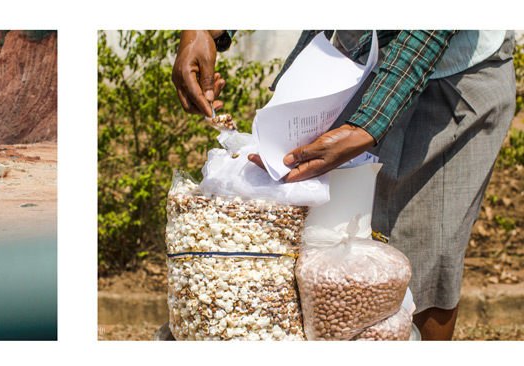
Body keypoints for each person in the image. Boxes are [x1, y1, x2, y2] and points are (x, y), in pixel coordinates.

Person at [174, 30, 515, 340]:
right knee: (311, 251)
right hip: (351, 61)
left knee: (423, 260)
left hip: (449, 78)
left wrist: (367, 124)